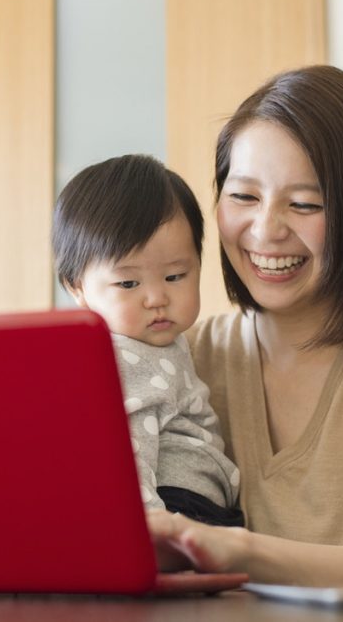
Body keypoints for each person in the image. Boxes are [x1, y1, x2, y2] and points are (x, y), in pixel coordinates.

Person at [147, 65, 343, 589]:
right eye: (244, 197)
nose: (267, 230)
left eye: (305, 204)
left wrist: (233, 549)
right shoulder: (178, 358)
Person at [52, 154, 244, 527]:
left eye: (175, 276)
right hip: (175, 509)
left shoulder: (158, 343)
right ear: (77, 287)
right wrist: (150, 531)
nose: (156, 297)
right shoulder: (126, 356)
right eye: (128, 283)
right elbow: (127, 454)